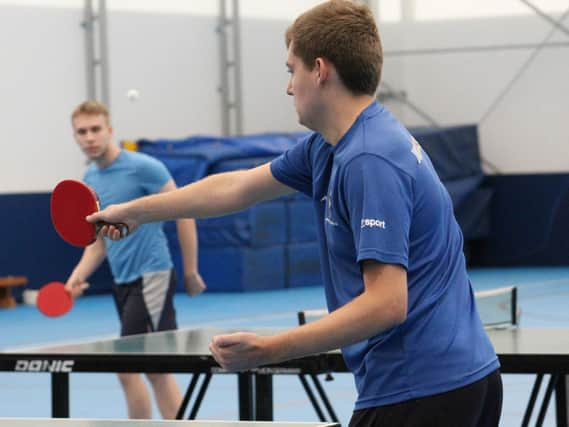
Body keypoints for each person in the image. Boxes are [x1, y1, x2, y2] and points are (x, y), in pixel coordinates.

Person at [86, 1, 502, 426]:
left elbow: (386, 304)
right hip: (454, 377)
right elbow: (237, 186)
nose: (288, 87)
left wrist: (270, 349)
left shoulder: (368, 159)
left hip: (424, 387)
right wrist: (136, 211)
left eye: (291, 70)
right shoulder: (331, 146)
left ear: (319, 70)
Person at [66, 100, 206, 419]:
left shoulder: (145, 167)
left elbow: (185, 213)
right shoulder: (90, 179)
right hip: (124, 281)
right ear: (75, 137)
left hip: (152, 276)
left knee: (145, 367)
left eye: (95, 129)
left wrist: (191, 270)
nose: (89, 137)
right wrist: (77, 274)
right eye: (82, 132)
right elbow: (99, 242)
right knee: (137, 368)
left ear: (110, 131)